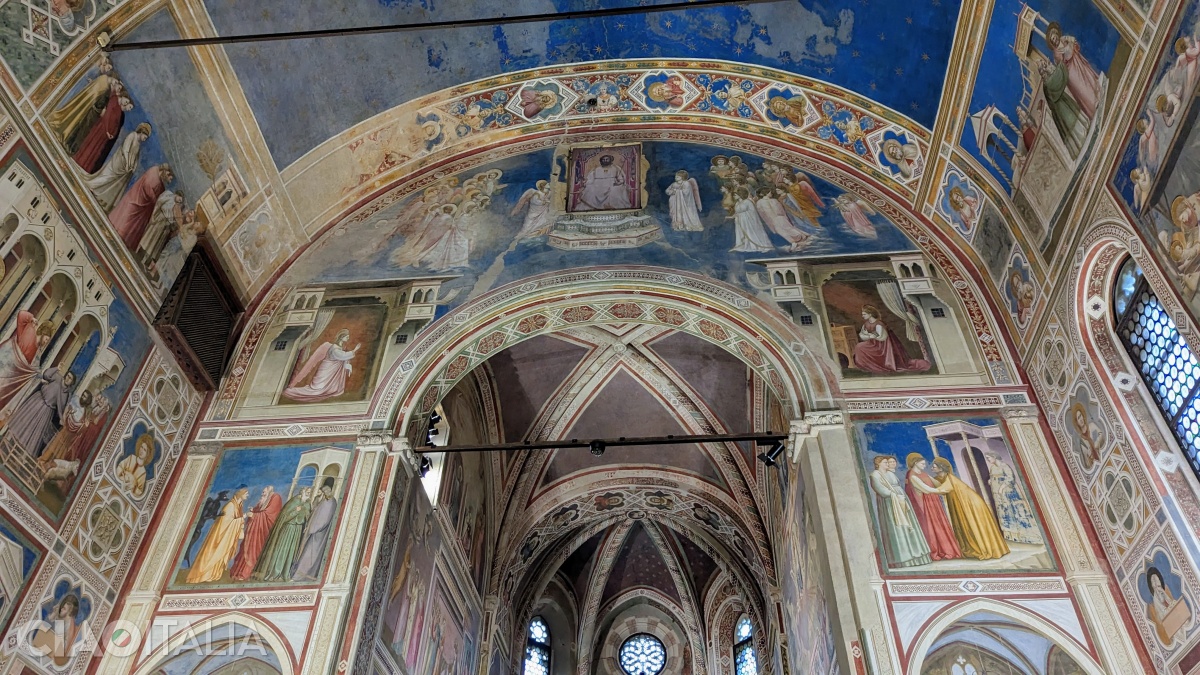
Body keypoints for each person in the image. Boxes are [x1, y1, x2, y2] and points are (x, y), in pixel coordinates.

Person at [930, 457, 1010, 560]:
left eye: (934, 466)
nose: (931, 468)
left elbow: (940, 490)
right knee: (966, 527)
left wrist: (921, 484)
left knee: (975, 526)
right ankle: (975, 549)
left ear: (941, 468)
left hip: (971, 504)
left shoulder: (950, 478)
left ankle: (986, 550)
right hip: (962, 505)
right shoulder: (941, 478)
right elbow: (936, 483)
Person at [868, 456, 931, 567]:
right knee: (897, 529)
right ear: (878, 463)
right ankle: (903, 559)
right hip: (890, 504)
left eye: (888, 462)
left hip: (901, 499)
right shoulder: (875, 475)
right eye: (885, 462)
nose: (888, 463)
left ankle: (918, 556)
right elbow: (881, 490)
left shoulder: (890, 473)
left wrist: (900, 497)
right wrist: (895, 496)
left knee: (909, 526)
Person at [47, 56, 117, 154]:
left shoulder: (105, 84)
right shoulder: (103, 79)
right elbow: (94, 89)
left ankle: (66, 134)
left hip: (86, 103)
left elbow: (95, 93)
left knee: (76, 118)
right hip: (84, 100)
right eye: (108, 66)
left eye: (109, 68)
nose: (116, 84)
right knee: (73, 113)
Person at [904, 454, 962, 561]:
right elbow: (926, 489)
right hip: (926, 507)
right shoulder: (912, 476)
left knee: (940, 526)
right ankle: (937, 552)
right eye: (922, 463)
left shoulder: (924, 474)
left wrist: (947, 479)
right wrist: (942, 491)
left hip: (934, 504)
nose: (925, 465)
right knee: (932, 528)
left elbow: (937, 484)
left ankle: (947, 550)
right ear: (915, 463)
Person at [186, 486, 249, 584]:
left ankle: (214, 574)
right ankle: (204, 574)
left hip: (225, 537)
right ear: (240, 494)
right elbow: (225, 523)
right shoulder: (230, 506)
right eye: (246, 493)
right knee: (214, 554)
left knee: (220, 555)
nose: (248, 495)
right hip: (219, 538)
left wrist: (241, 519)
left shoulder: (238, 506)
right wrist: (243, 517)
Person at [7, 369, 75, 458]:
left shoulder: (66, 394)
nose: (67, 378)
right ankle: (8, 441)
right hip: (38, 401)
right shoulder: (57, 377)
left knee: (34, 432)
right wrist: (57, 368)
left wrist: (62, 419)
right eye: (67, 376)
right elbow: (46, 375)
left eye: (70, 378)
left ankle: (20, 455)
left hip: (47, 412)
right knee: (24, 421)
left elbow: (60, 408)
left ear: (72, 383)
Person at [82, 123, 150, 211]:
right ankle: (91, 185)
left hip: (125, 169)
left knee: (114, 184)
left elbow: (135, 158)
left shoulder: (138, 144)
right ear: (142, 132)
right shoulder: (132, 135)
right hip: (119, 163)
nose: (145, 139)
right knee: (107, 177)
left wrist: (133, 167)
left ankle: (102, 198)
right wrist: (127, 163)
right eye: (145, 136)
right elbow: (125, 150)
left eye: (146, 138)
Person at [282, 329, 360, 403]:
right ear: (342, 337)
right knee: (317, 389)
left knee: (326, 388)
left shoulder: (340, 347)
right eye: (347, 336)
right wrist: (355, 350)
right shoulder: (334, 347)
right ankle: (291, 391)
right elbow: (341, 356)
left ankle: (329, 389)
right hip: (327, 369)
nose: (348, 338)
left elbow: (342, 356)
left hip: (331, 370)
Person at [109, 163, 173, 252]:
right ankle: (113, 238)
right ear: (165, 171)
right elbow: (147, 186)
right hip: (136, 200)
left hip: (144, 210)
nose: (169, 179)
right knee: (125, 221)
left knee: (134, 229)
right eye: (169, 175)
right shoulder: (154, 172)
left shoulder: (161, 184)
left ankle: (122, 245)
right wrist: (155, 200)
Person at [253, 487, 313, 582]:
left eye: (310, 492)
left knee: (291, 552)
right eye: (308, 492)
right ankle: (275, 573)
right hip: (288, 528)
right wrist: (295, 511)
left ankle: (285, 574)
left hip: (298, 530)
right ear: (303, 491)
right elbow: (285, 517)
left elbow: (308, 516)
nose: (309, 494)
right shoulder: (294, 501)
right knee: (281, 551)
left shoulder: (307, 503)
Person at [1045, 22, 1102, 120]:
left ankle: (1098, 94)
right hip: (1070, 72)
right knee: (1081, 88)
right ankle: (1092, 104)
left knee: (1088, 78)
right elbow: (1060, 64)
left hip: (1077, 62)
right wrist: (1066, 54)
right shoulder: (1056, 53)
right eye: (1053, 40)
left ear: (1057, 35)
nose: (1055, 40)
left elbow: (1074, 42)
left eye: (1055, 37)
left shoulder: (1064, 39)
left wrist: (1071, 46)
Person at [0, 313, 53, 416]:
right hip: (4, 367)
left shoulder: (38, 353)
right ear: (43, 333)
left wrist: (42, 379)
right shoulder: (30, 331)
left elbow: (33, 372)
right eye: (47, 339)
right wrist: (31, 318)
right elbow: (21, 315)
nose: (46, 342)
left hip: (10, 380)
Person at [853, 305, 931, 374]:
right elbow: (862, 334)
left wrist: (869, 335)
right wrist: (869, 335)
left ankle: (877, 366)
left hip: (883, 347)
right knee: (859, 346)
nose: (862, 316)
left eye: (864, 314)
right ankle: (868, 366)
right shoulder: (866, 324)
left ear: (870, 314)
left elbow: (881, 337)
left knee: (860, 347)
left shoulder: (879, 323)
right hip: (873, 343)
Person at [985, 452, 1043, 544]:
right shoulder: (993, 468)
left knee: (1015, 511)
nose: (988, 460)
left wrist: (1002, 488)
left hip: (1008, 492)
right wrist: (990, 481)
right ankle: (1012, 535)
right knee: (1004, 512)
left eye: (989, 458)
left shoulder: (1004, 466)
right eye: (987, 458)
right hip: (998, 494)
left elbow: (1010, 478)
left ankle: (1025, 535)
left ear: (994, 456)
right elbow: (993, 477)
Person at [71, 86, 131, 174]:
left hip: (105, 135)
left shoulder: (119, 109)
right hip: (101, 129)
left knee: (95, 151)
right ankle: (79, 161)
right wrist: (107, 130)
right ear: (123, 96)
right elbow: (107, 116)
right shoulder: (114, 101)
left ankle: (85, 167)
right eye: (126, 101)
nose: (126, 104)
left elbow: (116, 125)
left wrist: (112, 134)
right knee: (90, 145)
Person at [229, 485, 282, 581]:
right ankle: (239, 572)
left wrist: (254, 515)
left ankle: (246, 573)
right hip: (254, 531)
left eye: (264, 492)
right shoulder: (264, 500)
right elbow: (260, 510)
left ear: (269, 492)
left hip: (262, 532)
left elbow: (269, 515)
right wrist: (253, 511)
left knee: (255, 551)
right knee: (246, 550)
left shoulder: (275, 498)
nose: (262, 494)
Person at [291, 485, 338, 581]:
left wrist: (312, 529)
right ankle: (297, 574)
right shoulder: (323, 501)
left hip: (317, 535)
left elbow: (324, 519)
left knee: (310, 555)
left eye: (324, 491)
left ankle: (301, 576)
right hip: (313, 532)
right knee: (305, 553)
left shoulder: (330, 502)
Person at [30, 592, 82, 667]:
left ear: (70, 611)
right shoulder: (59, 619)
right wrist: (53, 614)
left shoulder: (69, 628)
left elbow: (60, 650)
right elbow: (41, 633)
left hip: (50, 661)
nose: (60, 609)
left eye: (63, 608)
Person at [185, 490, 229, 567]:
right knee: (191, 541)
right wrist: (218, 516)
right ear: (220, 497)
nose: (224, 498)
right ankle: (186, 557)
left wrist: (218, 516)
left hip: (200, 526)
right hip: (198, 525)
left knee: (192, 542)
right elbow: (204, 516)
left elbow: (213, 517)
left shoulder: (218, 504)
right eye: (224, 497)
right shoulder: (212, 503)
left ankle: (186, 556)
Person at [1147, 566, 1190, 645]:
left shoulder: (1165, 589)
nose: (1155, 582)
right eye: (1153, 581)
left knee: (1185, 622)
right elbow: (1161, 615)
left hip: (1175, 615)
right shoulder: (1155, 598)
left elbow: (1172, 602)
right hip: (1169, 621)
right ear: (1151, 585)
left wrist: (1168, 599)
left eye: (1156, 579)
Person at [729, 187, 774, 253]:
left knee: (753, 233)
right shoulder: (737, 203)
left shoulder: (747, 202)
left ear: (740, 194)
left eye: (735, 195)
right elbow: (737, 213)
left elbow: (753, 213)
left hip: (750, 222)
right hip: (741, 222)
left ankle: (762, 246)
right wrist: (731, 217)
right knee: (743, 235)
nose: (734, 196)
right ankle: (742, 245)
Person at [114, 431, 154, 499]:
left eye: (144, 450)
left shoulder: (143, 472)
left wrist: (133, 486)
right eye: (141, 447)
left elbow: (139, 492)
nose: (141, 451)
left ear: (147, 454)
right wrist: (124, 476)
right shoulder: (131, 458)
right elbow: (120, 467)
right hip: (119, 484)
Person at [1069, 401, 1105, 471]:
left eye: (1080, 416)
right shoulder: (1082, 441)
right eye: (1078, 418)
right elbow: (1087, 464)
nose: (1081, 419)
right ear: (1077, 423)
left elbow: (1101, 434)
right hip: (1097, 467)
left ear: (1083, 415)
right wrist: (1089, 457)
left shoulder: (1092, 426)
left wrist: (1097, 443)